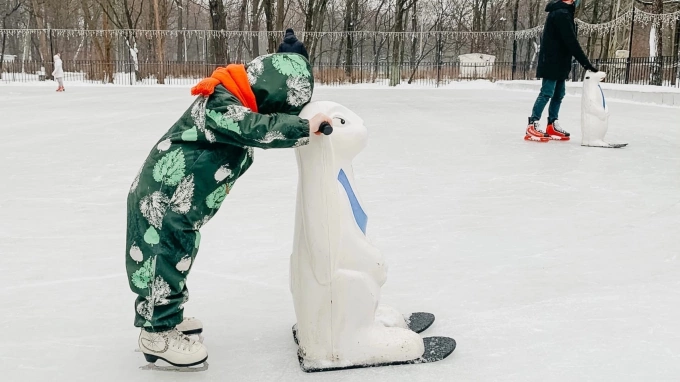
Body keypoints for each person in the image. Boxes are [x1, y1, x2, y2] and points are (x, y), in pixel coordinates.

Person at [126, 53, 332, 368]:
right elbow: (254, 128)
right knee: (162, 260)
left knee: (177, 257)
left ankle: (168, 315)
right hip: (164, 200)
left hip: (181, 206)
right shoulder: (220, 105)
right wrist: (304, 126)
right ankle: (157, 332)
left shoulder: (233, 97)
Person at [525, 0, 598, 142]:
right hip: (551, 61)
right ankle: (532, 124)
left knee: (559, 94)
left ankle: (552, 124)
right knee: (547, 93)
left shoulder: (566, 12)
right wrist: (586, 64)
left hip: (560, 62)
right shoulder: (560, 13)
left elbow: (567, 42)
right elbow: (571, 42)